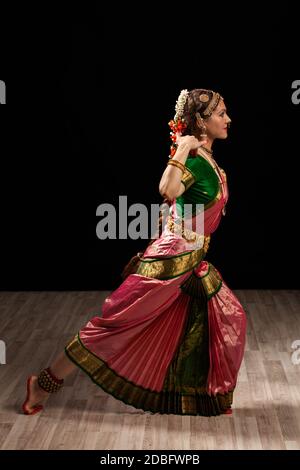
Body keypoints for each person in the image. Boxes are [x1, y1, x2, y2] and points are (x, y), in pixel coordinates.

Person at [22, 88, 247, 417]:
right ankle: (43, 384)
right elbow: (167, 189)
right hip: (170, 261)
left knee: (222, 316)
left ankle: (204, 397)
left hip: (191, 258)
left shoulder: (208, 159)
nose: (228, 119)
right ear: (201, 120)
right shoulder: (194, 158)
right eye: (221, 113)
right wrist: (183, 148)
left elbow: (178, 204)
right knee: (113, 325)